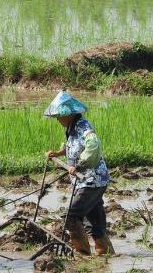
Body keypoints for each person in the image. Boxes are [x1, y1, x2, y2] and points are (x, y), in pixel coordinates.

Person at [44, 90, 114, 256]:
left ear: (69, 114)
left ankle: (83, 254)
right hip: (86, 181)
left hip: (92, 181)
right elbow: (73, 146)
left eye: (59, 116)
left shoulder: (84, 126)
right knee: (95, 224)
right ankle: (106, 254)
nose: (58, 120)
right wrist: (58, 153)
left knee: (71, 216)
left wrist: (79, 165)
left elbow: (93, 146)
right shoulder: (71, 128)